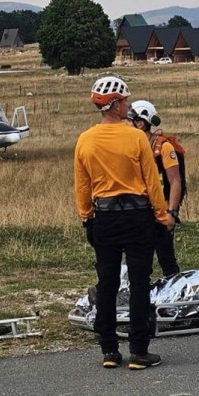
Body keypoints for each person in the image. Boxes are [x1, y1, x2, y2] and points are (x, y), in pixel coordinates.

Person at [74, 76, 170, 370]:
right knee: (140, 283)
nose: (129, 104)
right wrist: (162, 215)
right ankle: (139, 351)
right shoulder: (136, 137)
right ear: (115, 104)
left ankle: (109, 350)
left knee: (107, 282)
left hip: (104, 218)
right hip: (137, 215)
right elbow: (152, 182)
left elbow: (83, 185)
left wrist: (86, 216)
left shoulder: (85, 140)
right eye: (125, 100)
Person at [128, 100, 185, 277]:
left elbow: (175, 182)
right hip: (139, 210)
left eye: (129, 121)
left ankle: (175, 287)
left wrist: (171, 213)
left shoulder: (164, 148)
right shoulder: (131, 148)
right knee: (139, 259)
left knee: (166, 256)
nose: (125, 125)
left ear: (140, 123)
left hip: (162, 211)